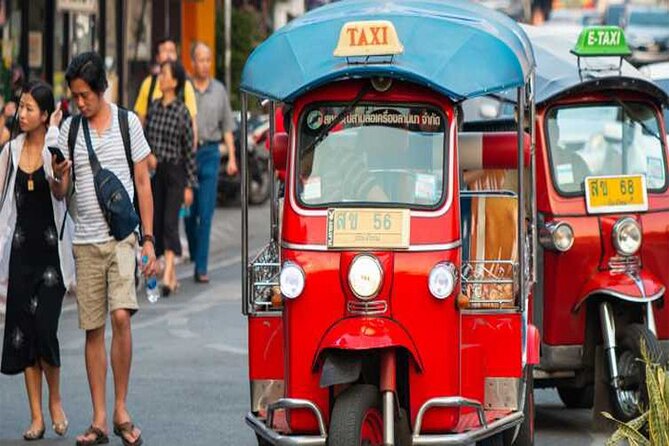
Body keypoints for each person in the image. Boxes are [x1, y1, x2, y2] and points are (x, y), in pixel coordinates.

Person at [51, 52, 156, 446]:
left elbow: (143, 182)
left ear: (101, 90)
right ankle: (98, 418)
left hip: (122, 239)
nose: (79, 102)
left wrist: (148, 239)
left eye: (84, 95)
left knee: (121, 318)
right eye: (75, 96)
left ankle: (121, 408)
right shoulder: (70, 132)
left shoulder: (128, 123)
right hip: (85, 241)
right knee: (93, 328)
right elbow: (62, 194)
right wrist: (58, 180)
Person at [0, 81, 74, 441]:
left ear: (45, 115)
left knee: (45, 328)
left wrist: (61, 175)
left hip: (50, 258)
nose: (22, 113)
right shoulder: (9, 152)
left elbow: (61, 192)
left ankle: (55, 401)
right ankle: (36, 416)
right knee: (25, 334)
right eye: (21, 107)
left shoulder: (53, 148)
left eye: (30, 108)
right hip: (19, 254)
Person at [186, 42, 237, 283]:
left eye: (208, 60)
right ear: (192, 62)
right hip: (188, 155)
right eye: (200, 60)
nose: (204, 64)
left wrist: (232, 159)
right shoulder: (185, 89)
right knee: (189, 213)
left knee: (206, 214)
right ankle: (196, 252)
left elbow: (227, 126)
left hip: (211, 154)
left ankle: (201, 267)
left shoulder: (219, 90)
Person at [145, 60, 196, 295]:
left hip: (175, 172)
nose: (161, 77)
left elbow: (189, 152)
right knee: (156, 223)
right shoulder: (153, 107)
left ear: (174, 82)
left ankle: (167, 274)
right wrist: (149, 156)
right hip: (155, 172)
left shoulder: (182, 111)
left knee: (169, 222)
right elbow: (144, 139)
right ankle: (171, 278)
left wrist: (189, 185)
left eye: (164, 74)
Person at [133, 37, 198, 145]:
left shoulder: (185, 85)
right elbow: (140, 122)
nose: (168, 55)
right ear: (158, 57)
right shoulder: (149, 84)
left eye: (172, 51)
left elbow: (192, 125)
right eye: (164, 51)